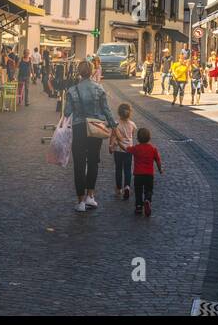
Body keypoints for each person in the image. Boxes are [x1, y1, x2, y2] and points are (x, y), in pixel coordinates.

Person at [63, 60, 116, 212]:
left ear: (79, 72)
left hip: (79, 128)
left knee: (79, 164)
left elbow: (67, 113)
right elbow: (107, 110)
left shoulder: (72, 90)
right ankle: (90, 196)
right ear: (92, 71)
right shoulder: (99, 88)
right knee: (93, 161)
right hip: (95, 128)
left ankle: (80, 202)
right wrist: (114, 126)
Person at [127, 126, 164, 217]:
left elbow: (127, 149)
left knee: (138, 191)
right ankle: (147, 200)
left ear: (138, 138)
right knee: (149, 190)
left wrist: (119, 143)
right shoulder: (153, 149)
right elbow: (158, 160)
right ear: (149, 138)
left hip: (138, 175)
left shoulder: (136, 148)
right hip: (149, 175)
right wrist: (160, 169)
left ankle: (139, 206)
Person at [110, 103, 137, 201]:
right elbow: (132, 135)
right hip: (129, 150)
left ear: (119, 112)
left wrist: (111, 146)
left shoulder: (116, 124)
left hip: (118, 150)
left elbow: (113, 136)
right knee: (127, 169)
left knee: (118, 169)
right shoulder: (132, 124)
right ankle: (127, 187)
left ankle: (118, 189)